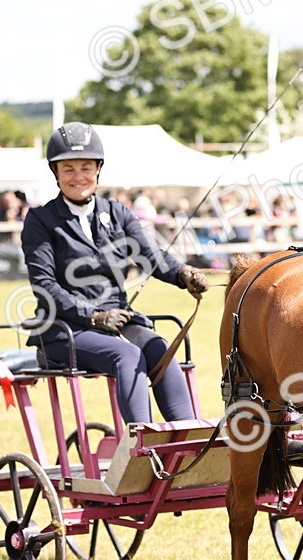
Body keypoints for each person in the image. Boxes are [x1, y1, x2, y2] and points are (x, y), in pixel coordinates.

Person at [23, 122, 210, 424]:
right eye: (68, 169)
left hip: (117, 321)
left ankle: (189, 438)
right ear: (55, 173)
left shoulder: (118, 213)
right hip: (65, 329)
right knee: (128, 355)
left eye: (86, 167)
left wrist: (183, 274)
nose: (78, 176)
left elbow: (149, 256)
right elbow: (44, 285)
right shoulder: (41, 220)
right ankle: (143, 444)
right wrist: (92, 316)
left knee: (160, 348)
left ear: (98, 169)